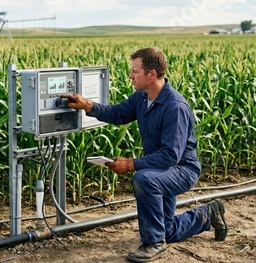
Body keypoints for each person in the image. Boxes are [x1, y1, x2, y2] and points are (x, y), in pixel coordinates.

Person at [61, 47, 228, 262]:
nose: (130, 76)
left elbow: (170, 156)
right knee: (167, 229)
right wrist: (88, 105)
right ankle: (209, 215)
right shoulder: (142, 97)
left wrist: (131, 164)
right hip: (161, 169)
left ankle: (154, 243)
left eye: (135, 71)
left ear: (152, 74)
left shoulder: (174, 107)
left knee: (144, 179)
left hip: (182, 169)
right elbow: (118, 113)